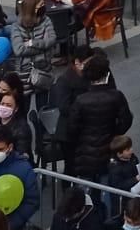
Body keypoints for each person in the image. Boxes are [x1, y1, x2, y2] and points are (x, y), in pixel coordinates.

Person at [57, 49, 132, 179]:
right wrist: (114, 132)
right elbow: (126, 119)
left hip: (86, 152)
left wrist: (82, 138)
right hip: (108, 147)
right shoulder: (116, 96)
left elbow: (72, 127)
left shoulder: (81, 100)